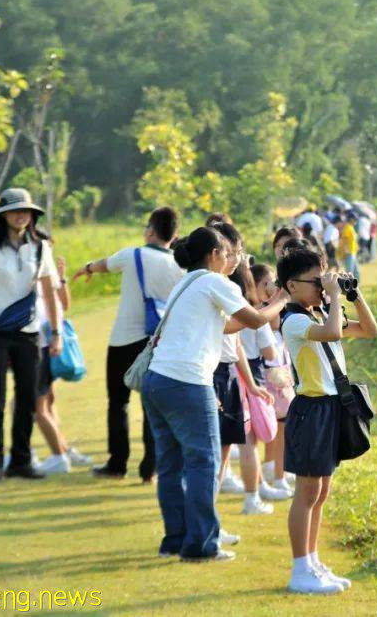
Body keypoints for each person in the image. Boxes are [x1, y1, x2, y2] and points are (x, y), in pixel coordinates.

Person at [141, 226, 278, 562]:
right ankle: (201, 545)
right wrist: (283, 299)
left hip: (157, 380)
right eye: (227, 253)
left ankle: (174, 539)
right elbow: (256, 319)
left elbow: (225, 326)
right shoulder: (215, 282)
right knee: (205, 461)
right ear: (215, 254)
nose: (231, 259)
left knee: (171, 465)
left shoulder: (184, 284)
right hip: (188, 382)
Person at [277, 247, 377, 593]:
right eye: (316, 282)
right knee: (306, 492)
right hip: (310, 410)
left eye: (324, 280)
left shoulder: (319, 313)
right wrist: (334, 297)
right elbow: (334, 333)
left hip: (331, 409)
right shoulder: (294, 321)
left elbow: (368, 330)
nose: (322, 287)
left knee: (320, 492)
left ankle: (312, 560)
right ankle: (299, 569)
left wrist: (353, 293)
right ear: (291, 286)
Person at [0, 188, 64, 484]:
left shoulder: (41, 248)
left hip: (28, 335)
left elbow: (49, 293)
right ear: (3, 215)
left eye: (26, 211)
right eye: (15, 210)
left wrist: (56, 333)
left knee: (29, 398)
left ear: (32, 216)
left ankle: (20, 460)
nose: (21, 215)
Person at [72, 207, 184, 482]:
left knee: (118, 403)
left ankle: (117, 464)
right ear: (175, 234)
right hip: (156, 343)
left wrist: (86, 268)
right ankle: (150, 469)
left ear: (150, 230)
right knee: (151, 406)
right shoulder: (180, 267)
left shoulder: (132, 255)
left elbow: (102, 265)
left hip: (123, 340)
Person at [207, 222, 276, 516]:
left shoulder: (211, 286)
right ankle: (210, 519)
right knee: (222, 452)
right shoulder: (223, 288)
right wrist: (282, 300)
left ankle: (209, 520)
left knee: (221, 453)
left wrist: (251, 383)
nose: (238, 259)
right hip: (219, 376)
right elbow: (254, 325)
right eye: (234, 252)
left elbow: (235, 345)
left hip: (228, 375)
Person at [32, 231, 93, 474]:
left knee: (37, 404)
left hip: (45, 346)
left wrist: (62, 278)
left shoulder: (44, 273)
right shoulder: (30, 271)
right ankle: (60, 450)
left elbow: (64, 305)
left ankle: (57, 454)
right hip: (41, 345)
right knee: (42, 402)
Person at [248, 263, 295, 499]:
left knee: (280, 431)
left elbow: (276, 324)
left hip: (278, 378)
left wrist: (276, 298)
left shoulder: (269, 310)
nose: (271, 287)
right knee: (268, 432)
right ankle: (273, 478)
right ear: (253, 286)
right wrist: (276, 299)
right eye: (265, 283)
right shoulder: (255, 312)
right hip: (267, 378)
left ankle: (276, 475)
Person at [339, 213, 359, 282]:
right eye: (355, 219)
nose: (356, 221)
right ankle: (349, 286)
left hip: (353, 252)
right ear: (351, 219)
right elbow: (344, 240)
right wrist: (345, 251)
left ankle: (356, 285)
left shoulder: (351, 227)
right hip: (349, 252)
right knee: (349, 271)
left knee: (356, 271)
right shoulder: (347, 227)